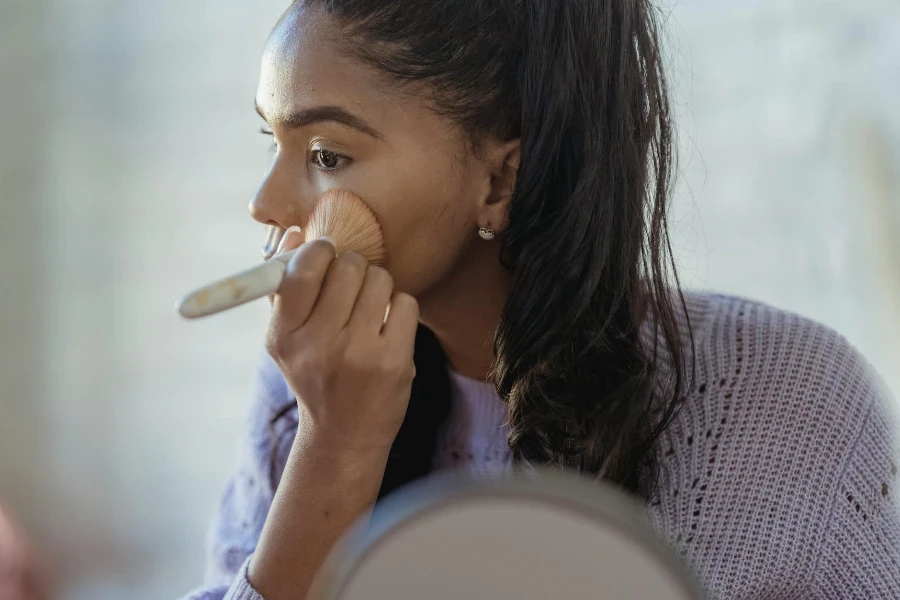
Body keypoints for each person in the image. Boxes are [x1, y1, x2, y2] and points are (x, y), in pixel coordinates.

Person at [182, 1, 900, 599]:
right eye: (270, 141)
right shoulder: (305, 391)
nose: (264, 203)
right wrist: (334, 448)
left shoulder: (791, 399)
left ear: (500, 181)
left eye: (326, 156)